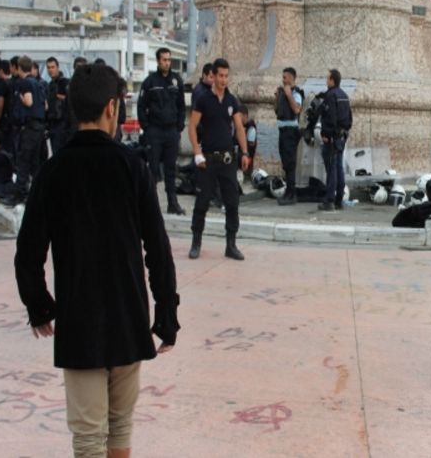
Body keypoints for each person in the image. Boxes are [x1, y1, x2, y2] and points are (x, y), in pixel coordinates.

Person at [14, 63, 180, 458]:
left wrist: (39, 305)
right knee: (120, 429)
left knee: (88, 439)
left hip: (79, 322)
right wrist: (166, 315)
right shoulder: (132, 168)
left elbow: (28, 251)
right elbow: (157, 249)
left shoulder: (53, 173)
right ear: (112, 107)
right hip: (128, 319)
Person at [187, 58, 252, 261]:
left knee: (232, 202)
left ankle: (231, 244)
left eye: (226, 76)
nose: (224, 80)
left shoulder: (232, 101)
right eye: (220, 76)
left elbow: (239, 128)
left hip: (227, 160)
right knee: (202, 202)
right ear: (213, 76)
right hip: (207, 159)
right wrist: (197, 152)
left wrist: (244, 152)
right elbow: (192, 127)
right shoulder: (203, 99)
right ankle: (196, 242)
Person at [138, 47, 186, 215]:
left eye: (169, 59)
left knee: (171, 169)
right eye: (164, 60)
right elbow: (141, 106)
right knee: (152, 170)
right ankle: (151, 205)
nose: (167, 62)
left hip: (171, 131)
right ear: (158, 61)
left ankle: (172, 203)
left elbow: (181, 105)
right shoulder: (150, 82)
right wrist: (147, 128)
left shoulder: (176, 80)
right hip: (155, 131)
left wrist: (179, 126)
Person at [1, 56, 46, 207]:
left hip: (29, 127)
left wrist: (20, 96)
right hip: (39, 127)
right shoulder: (38, 83)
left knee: (23, 160)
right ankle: (37, 193)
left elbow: (29, 101)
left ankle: (21, 193)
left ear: (19, 68)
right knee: (34, 162)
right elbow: (44, 105)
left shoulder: (24, 83)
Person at [318, 69, 352, 212]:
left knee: (332, 169)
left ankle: (329, 200)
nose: (326, 81)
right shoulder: (344, 95)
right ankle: (339, 200)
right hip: (342, 137)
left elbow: (330, 117)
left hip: (332, 137)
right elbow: (349, 118)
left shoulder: (330, 95)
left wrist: (326, 133)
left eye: (327, 78)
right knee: (339, 168)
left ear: (332, 80)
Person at [274, 67, 304, 205]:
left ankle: (292, 194)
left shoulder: (296, 93)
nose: (283, 79)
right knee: (286, 163)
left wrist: (288, 95)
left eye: (285, 77)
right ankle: (288, 192)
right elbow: (277, 111)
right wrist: (277, 97)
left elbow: (297, 109)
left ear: (292, 78)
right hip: (282, 130)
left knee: (290, 163)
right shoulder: (283, 92)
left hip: (290, 132)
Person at [45, 57, 70, 154]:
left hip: (62, 124)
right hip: (52, 124)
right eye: (48, 67)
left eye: (52, 67)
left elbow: (69, 100)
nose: (50, 70)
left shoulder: (65, 83)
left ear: (58, 67)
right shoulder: (50, 85)